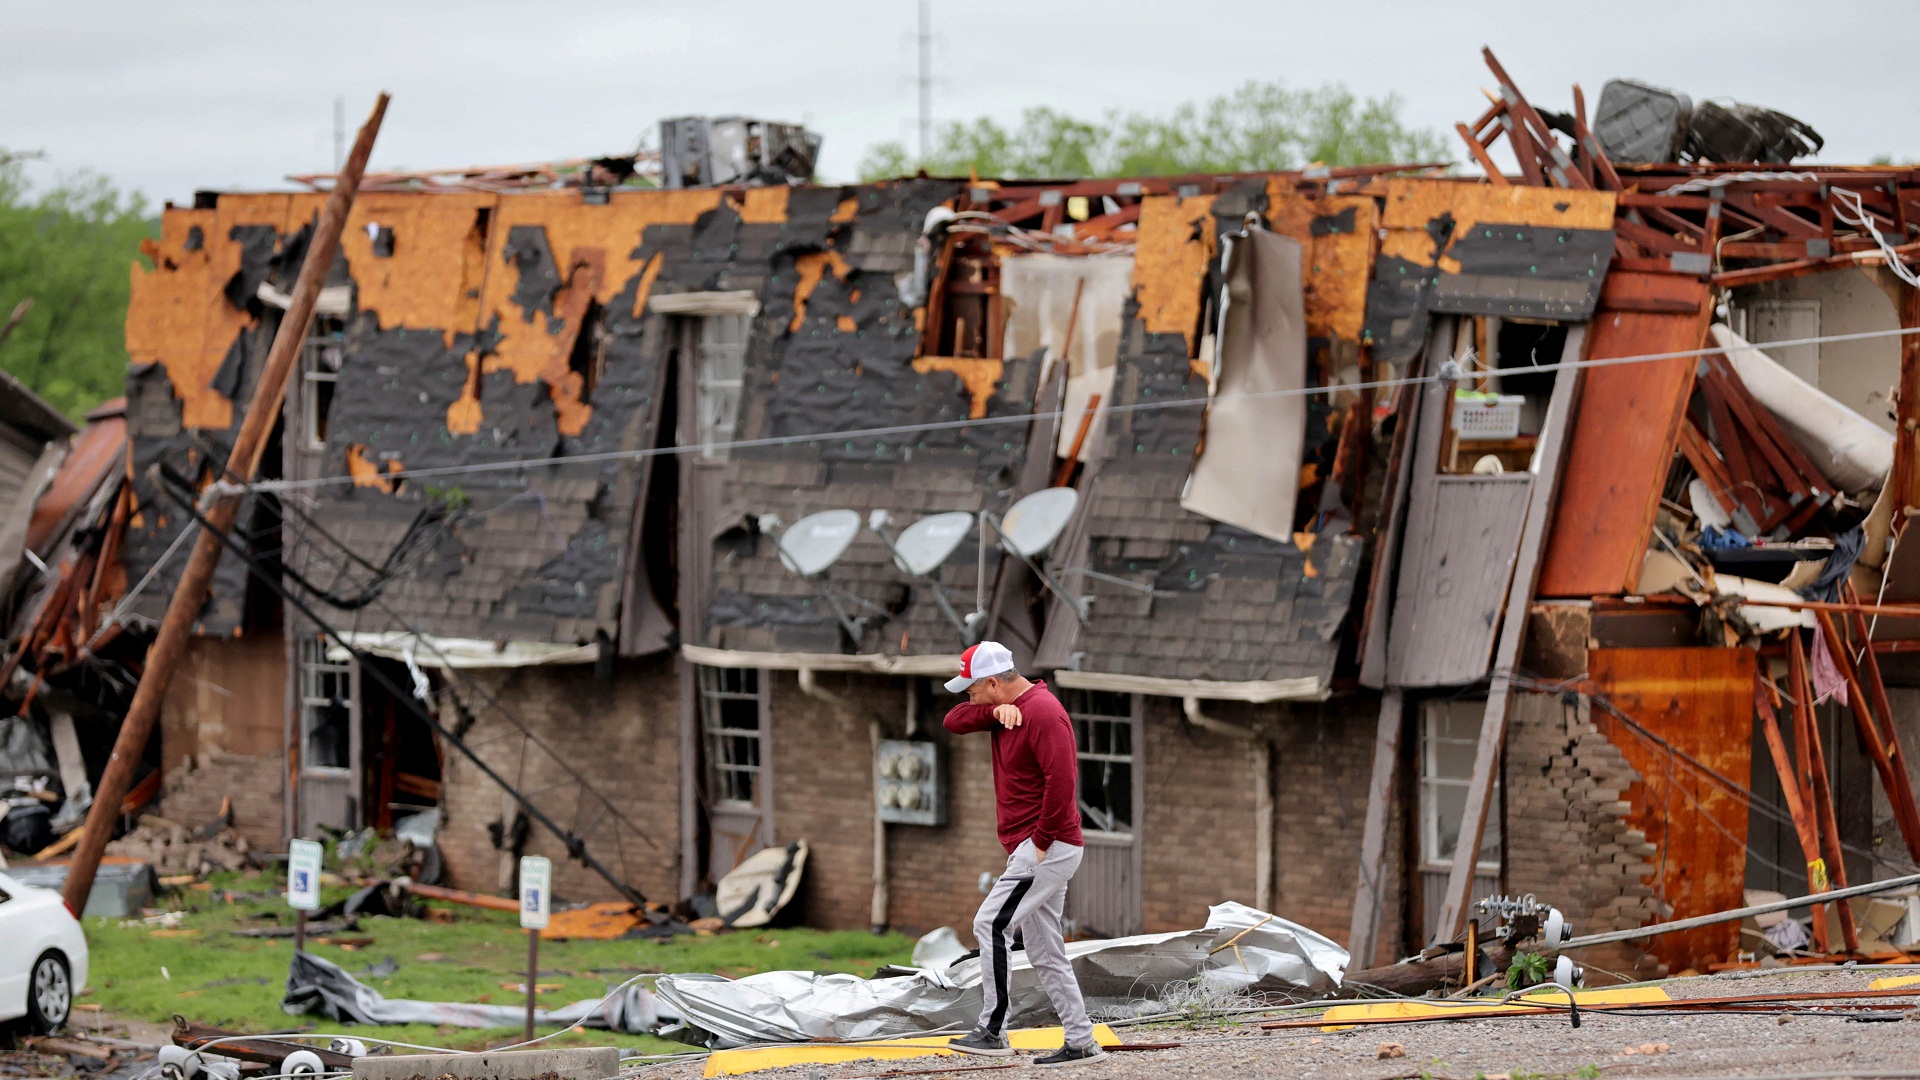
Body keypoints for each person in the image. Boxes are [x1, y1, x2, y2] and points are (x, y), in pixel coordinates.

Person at [939, 641, 1106, 1068]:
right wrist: (995, 712)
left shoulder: (1043, 713)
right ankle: (1081, 1041)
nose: (968, 697)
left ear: (993, 683)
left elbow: (1062, 781)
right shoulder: (1006, 709)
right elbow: (953, 720)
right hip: (1035, 847)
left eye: (972, 689)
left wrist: (1041, 843)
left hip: (1046, 846)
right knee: (1044, 949)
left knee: (990, 923)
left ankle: (992, 1030)